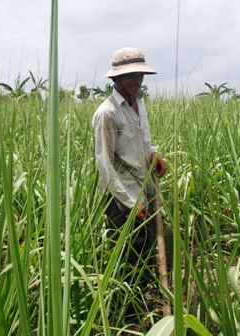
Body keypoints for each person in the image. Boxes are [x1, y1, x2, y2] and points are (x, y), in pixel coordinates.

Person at [92, 47, 166, 292]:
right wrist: (131, 202)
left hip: (144, 189)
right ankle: (126, 317)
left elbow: (142, 139)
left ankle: (145, 300)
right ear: (117, 78)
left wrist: (154, 153)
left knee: (145, 250)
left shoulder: (138, 102)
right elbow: (105, 164)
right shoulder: (107, 113)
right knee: (126, 259)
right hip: (121, 199)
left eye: (140, 74)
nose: (137, 80)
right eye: (131, 75)